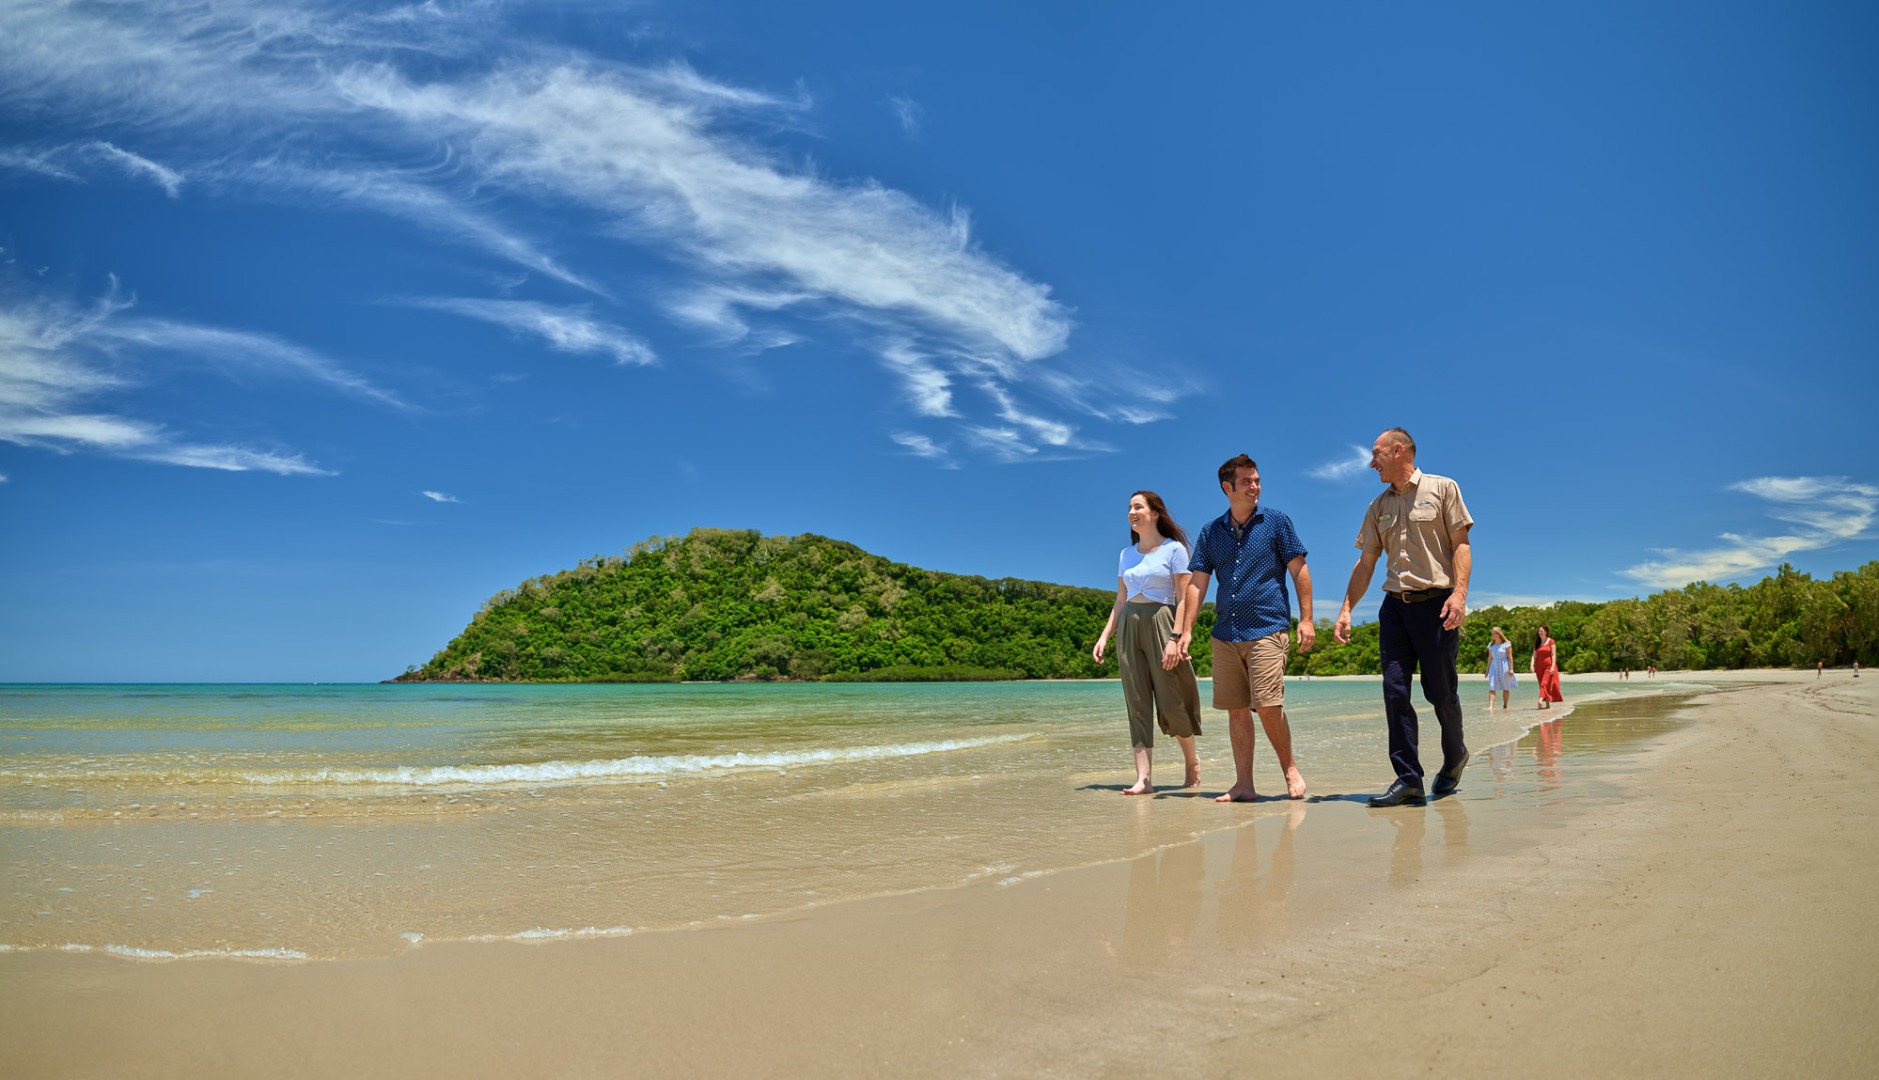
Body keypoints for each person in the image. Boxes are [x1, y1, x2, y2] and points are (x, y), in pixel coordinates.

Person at [1332, 428, 1473, 807]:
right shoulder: (1378, 506)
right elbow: (1366, 564)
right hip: (1394, 607)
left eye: (1376, 454)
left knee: (1440, 692)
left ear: (1398, 451)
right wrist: (1346, 609)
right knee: (1395, 692)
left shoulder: (1443, 489)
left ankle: (1455, 754)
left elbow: (1461, 545)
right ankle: (1408, 779)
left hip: (1437, 605)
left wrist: (1459, 595)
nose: (1371, 462)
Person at [1180, 454, 1313, 803]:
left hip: (1268, 627)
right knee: (1237, 709)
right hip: (1225, 634)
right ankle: (1244, 784)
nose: (1255, 486)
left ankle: (1290, 769)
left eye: (1257, 480)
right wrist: (1186, 629)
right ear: (1228, 488)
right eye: (1247, 481)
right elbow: (1196, 584)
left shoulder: (1277, 522)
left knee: (1268, 704)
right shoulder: (1211, 532)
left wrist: (1307, 619)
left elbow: (1299, 569)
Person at [1093, 491, 1204, 795]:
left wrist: (1176, 638)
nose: (1131, 511)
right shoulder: (1125, 555)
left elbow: (1183, 598)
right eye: (1129, 507)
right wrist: (1104, 636)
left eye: (1138, 506)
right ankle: (1144, 778)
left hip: (1163, 622)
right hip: (1130, 624)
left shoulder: (1174, 550)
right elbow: (1120, 600)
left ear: (1155, 513)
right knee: (1137, 703)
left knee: (1172, 700)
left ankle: (1191, 762)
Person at [1532, 625, 1564, 709]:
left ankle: (1540, 700)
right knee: (1542, 684)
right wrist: (1531, 665)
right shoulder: (1537, 643)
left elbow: (1553, 655)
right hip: (1539, 667)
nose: (1539, 633)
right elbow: (1534, 655)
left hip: (1548, 665)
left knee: (1544, 683)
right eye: (1539, 631)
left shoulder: (1551, 641)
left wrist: (1553, 666)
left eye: (1541, 631)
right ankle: (1547, 705)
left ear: (1546, 632)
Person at [1486, 626, 1517, 710]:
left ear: (1499, 634)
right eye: (1492, 633)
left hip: (1504, 666)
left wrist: (1511, 668)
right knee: (1492, 686)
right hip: (1494, 667)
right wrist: (1487, 670)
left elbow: (1510, 657)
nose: (1492, 635)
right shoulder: (1491, 645)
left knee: (1505, 687)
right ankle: (1491, 706)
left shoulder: (1506, 644)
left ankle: (1505, 705)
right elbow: (1490, 658)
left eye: (1494, 633)